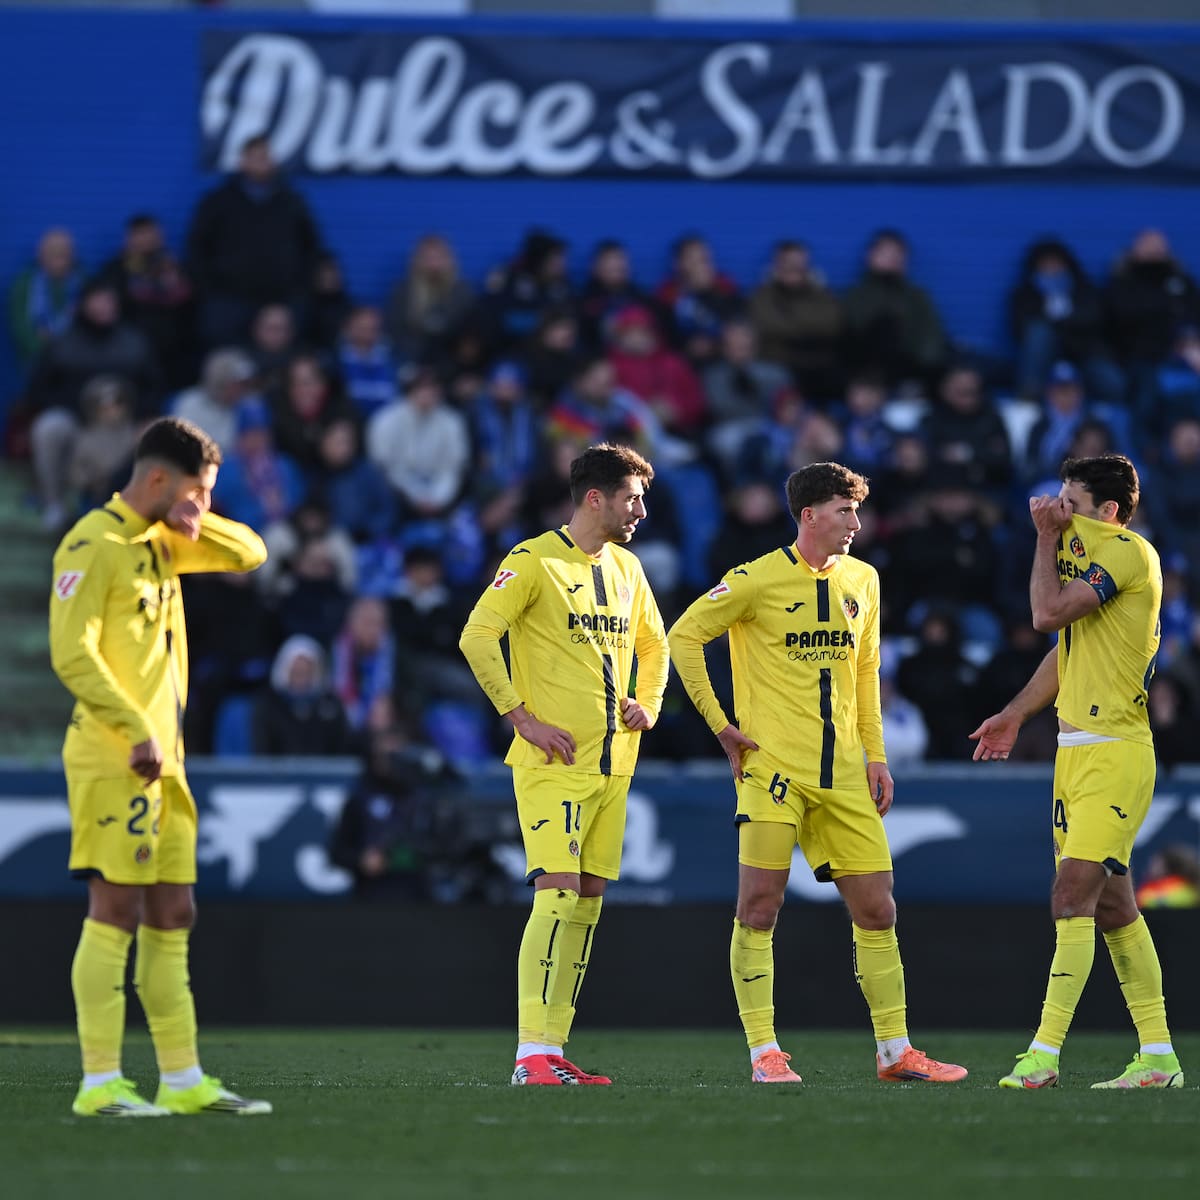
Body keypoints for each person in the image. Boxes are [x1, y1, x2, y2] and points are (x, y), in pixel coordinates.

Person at [667, 461, 967, 1086]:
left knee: (878, 909)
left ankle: (895, 1051)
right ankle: (763, 1052)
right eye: (844, 511)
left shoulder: (865, 579)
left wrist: (877, 755)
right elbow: (683, 637)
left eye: (857, 511)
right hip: (773, 769)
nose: (856, 523)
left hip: (846, 775)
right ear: (809, 515)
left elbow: (865, 674)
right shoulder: (754, 580)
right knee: (759, 905)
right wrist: (721, 725)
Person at [48, 416, 271, 1116]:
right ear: (155, 478)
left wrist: (195, 518)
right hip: (115, 754)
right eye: (198, 489)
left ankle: (181, 1081)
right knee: (114, 907)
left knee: (175, 909)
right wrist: (133, 726)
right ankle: (99, 1083)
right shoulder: (92, 544)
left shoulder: (164, 543)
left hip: (163, 762)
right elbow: (71, 652)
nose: (203, 503)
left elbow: (250, 554)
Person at [970, 453, 1184, 1090]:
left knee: (1071, 896)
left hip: (1117, 752)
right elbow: (1066, 650)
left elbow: (1046, 614)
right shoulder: (1088, 556)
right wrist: (1013, 714)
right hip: (1075, 753)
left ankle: (1043, 1054)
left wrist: (1043, 540)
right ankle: (1158, 1058)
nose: (1058, 513)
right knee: (1115, 907)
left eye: (1071, 503)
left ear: (1109, 513)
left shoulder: (1126, 552)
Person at [459, 443, 669, 1086]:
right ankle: (528, 1054)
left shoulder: (629, 569)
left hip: (614, 764)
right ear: (595, 497)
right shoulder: (532, 560)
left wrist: (649, 705)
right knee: (556, 896)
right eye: (632, 497)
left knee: (586, 901)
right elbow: (476, 635)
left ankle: (551, 1049)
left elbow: (655, 645)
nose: (641, 510)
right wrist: (520, 716)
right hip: (551, 762)